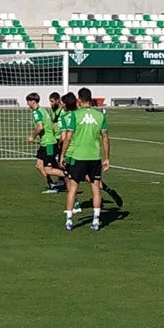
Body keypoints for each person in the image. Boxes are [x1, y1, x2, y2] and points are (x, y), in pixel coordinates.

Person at [59, 88, 111, 232]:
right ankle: (96, 220)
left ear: (79, 100)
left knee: (73, 187)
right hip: (94, 157)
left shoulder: (75, 115)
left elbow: (68, 137)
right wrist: (107, 158)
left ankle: (69, 220)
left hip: (78, 156)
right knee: (95, 189)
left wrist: (62, 155)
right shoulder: (100, 115)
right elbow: (105, 138)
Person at [27, 92, 66, 193]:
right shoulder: (42, 110)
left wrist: (32, 137)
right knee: (39, 165)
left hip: (48, 143)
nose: (27, 104)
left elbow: (40, 127)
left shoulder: (36, 112)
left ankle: (69, 175)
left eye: (28, 101)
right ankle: (52, 185)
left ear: (33, 101)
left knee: (48, 168)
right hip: (46, 143)